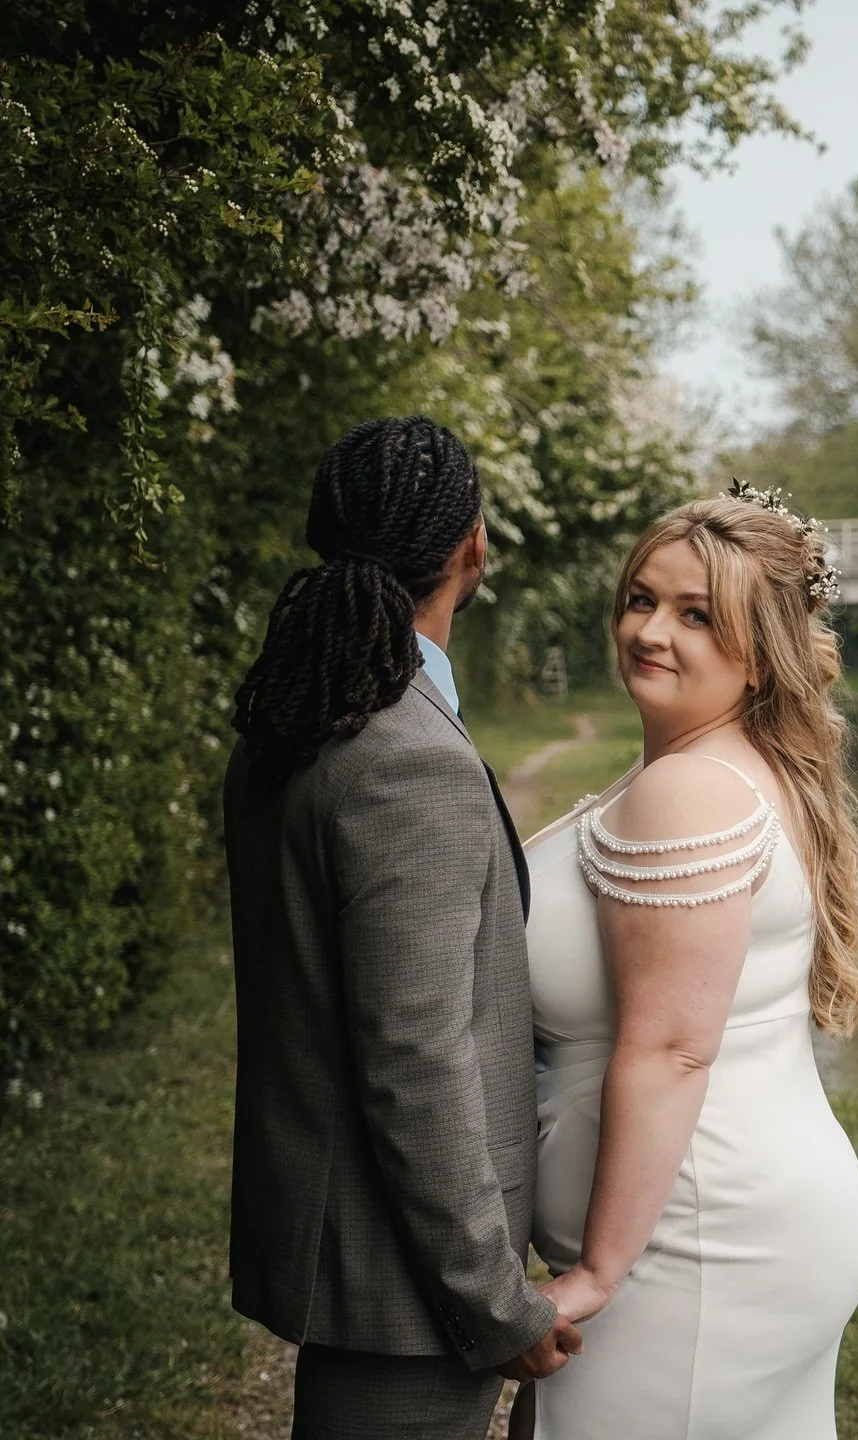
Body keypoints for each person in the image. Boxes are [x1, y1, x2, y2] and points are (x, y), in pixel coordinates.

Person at [223, 415, 580, 1440]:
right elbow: (412, 1059)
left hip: (360, 1254)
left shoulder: (295, 718)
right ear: (473, 545)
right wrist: (492, 1302)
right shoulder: (405, 754)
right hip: (407, 1286)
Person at [519, 483, 858, 1440]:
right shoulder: (722, 767)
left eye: (697, 616)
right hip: (734, 1221)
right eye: (642, 598)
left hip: (694, 1249)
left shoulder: (691, 792)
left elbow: (673, 1049)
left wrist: (597, 1272)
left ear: (760, 654)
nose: (650, 632)